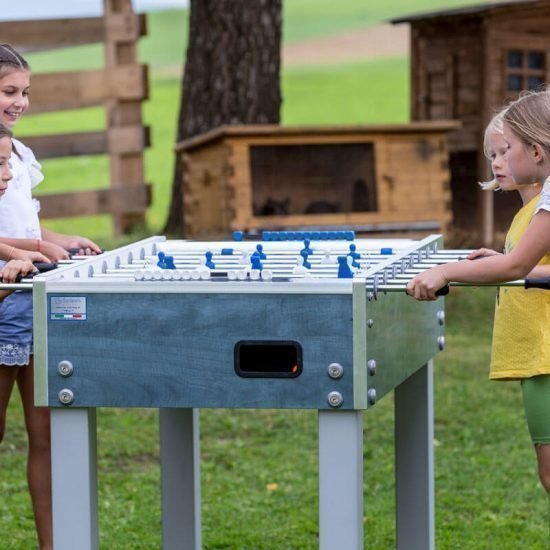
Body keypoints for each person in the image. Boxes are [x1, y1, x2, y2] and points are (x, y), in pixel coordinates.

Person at [406, 91, 550, 502]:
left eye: (506, 150)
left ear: (537, 151)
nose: (496, 162)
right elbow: (518, 265)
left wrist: (444, 271)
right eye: (493, 154)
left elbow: (514, 268)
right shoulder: (535, 208)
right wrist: (495, 264)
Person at [0, 44, 101, 550]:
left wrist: (57, 243)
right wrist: (28, 252)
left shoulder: (16, 154)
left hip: (34, 299)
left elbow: (25, 227)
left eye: (25, 92)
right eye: (8, 91)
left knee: (48, 437)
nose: (20, 102)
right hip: (1, 303)